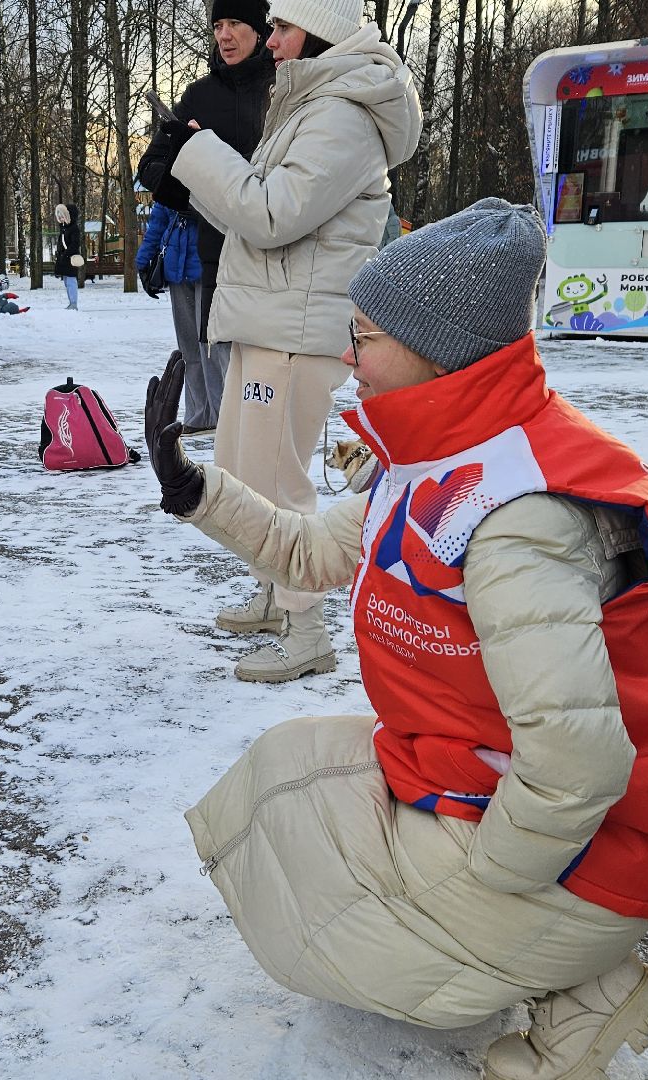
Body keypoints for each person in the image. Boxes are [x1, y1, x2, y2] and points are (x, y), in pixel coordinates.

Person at [148, 201, 648, 1080]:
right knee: (291, 774)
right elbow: (314, 549)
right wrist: (196, 489)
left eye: (366, 336)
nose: (348, 357)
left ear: (438, 347)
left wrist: (497, 879)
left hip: (587, 848)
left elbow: (577, 762)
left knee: (324, 919)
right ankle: (553, 951)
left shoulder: (520, 515)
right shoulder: (448, 454)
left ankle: (580, 980)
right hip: (507, 789)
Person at [165, 0, 420, 683]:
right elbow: (252, 211)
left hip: (298, 326)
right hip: (272, 316)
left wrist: (196, 152)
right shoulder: (312, 102)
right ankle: (277, 593)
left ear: (318, 30)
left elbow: (273, 214)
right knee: (247, 468)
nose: (268, 40)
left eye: (280, 27)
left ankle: (307, 629)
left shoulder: (342, 113)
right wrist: (191, 170)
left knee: (278, 479)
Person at [138, 0, 276, 439]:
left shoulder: (285, 90)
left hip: (276, 258)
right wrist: (196, 176)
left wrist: (222, 170)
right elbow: (153, 169)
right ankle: (210, 423)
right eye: (218, 25)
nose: (224, 35)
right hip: (214, 257)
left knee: (268, 378)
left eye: (235, 23)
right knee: (215, 358)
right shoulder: (198, 96)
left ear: (259, 29)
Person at [133, 200, 209, 428]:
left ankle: (217, 414)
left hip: (210, 266)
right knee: (189, 348)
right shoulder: (172, 169)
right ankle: (197, 415)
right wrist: (143, 261)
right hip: (178, 267)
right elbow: (158, 221)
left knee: (211, 347)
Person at [52, 203, 83, 309]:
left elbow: (75, 244)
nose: (60, 218)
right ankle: (71, 302)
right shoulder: (64, 228)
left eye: (62, 215)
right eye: (59, 215)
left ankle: (73, 303)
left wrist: (65, 254)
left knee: (71, 281)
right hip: (65, 259)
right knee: (67, 281)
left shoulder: (73, 228)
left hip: (70, 259)